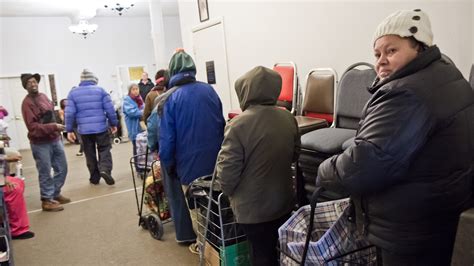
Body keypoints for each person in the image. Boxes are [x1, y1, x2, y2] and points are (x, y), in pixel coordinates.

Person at [316, 9, 474, 265]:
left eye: (391, 51)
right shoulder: (447, 74)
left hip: (410, 228)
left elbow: (364, 165)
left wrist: (325, 171)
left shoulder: (406, 93)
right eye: (377, 54)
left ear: (420, 47)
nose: (381, 61)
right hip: (443, 213)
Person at [215, 66, 300, 266]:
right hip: (283, 203)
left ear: (244, 91)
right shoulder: (288, 118)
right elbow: (295, 155)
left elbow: (227, 174)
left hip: (252, 210)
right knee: (278, 253)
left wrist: (229, 194)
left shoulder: (238, 125)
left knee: (261, 255)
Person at [158, 49, 225, 253]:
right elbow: (220, 123)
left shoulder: (168, 99)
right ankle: (221, 243)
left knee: (197, 209)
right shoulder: (209, 90)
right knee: (216, 203)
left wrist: (168, 166)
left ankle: (204, 248)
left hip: (188, 165)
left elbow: (167, 140)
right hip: (216, 160)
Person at [20, 73, 69, 212]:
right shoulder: (26, 104)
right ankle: (47, 200)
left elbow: (52, 115)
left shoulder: (43, 96)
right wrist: (54, 127)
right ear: (25, 86)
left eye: (34, 81)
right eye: (29, 83)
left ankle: (55, 193)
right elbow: (33, 128)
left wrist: (58, 127)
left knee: (62, 168)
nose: (33, 84)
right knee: (45, 171)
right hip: (40, 143)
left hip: (54, 139)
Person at [65, 69, 118, 185]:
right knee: (104, 149)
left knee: (89, 153)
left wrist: (69, 130)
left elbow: (69, 113)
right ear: (94, 80)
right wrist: (113, 124)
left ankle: (94, 178)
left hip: (84, 130)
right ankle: (105, 169)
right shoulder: (101, 91)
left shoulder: (73, 93)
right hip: (101, 128)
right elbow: (110, 109)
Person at [122, 83, 144, 158]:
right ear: (130, 91)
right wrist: (142, 112)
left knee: (142, 147)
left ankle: (143, 164)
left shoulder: (139, 98)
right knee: (136, 146)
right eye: (133, 89)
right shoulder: (127, 100)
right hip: (133, 127)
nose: (135, 91)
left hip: (141, 126)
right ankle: (138, 166)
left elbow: (143, 108)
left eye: (137, 89)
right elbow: (132, 112)